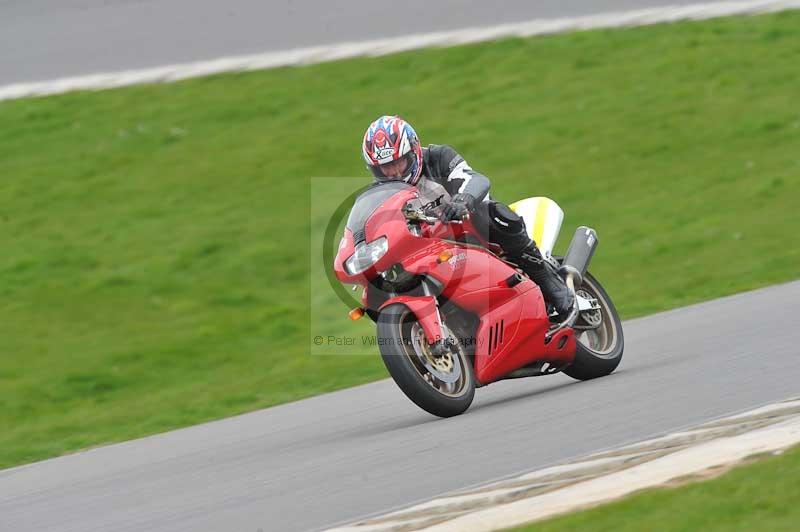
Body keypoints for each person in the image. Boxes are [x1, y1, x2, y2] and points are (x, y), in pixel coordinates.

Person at [361, 115, 574, 317]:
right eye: (384, 168)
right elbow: (368, 228)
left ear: (413, 152)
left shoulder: (438, 158)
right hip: (427, 251)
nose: (393, 172)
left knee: (490, 212)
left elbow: (475, 179)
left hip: (466, 233)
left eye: (397, 163)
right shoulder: (379, 197)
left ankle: (547, 280)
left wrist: (463, 200)